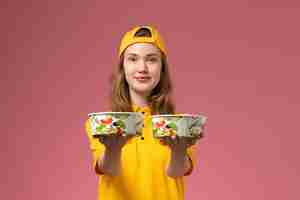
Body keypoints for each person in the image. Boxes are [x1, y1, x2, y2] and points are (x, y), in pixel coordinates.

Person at [85, 25, 201, 200]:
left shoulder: (182, 125)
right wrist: (113, 148)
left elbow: (176, 172)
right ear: (122, 68)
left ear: (162, 69)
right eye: (133, 59)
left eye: (151, 59)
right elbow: (110, 169)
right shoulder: (104, 123)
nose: (142, 68)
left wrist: (179, 150)